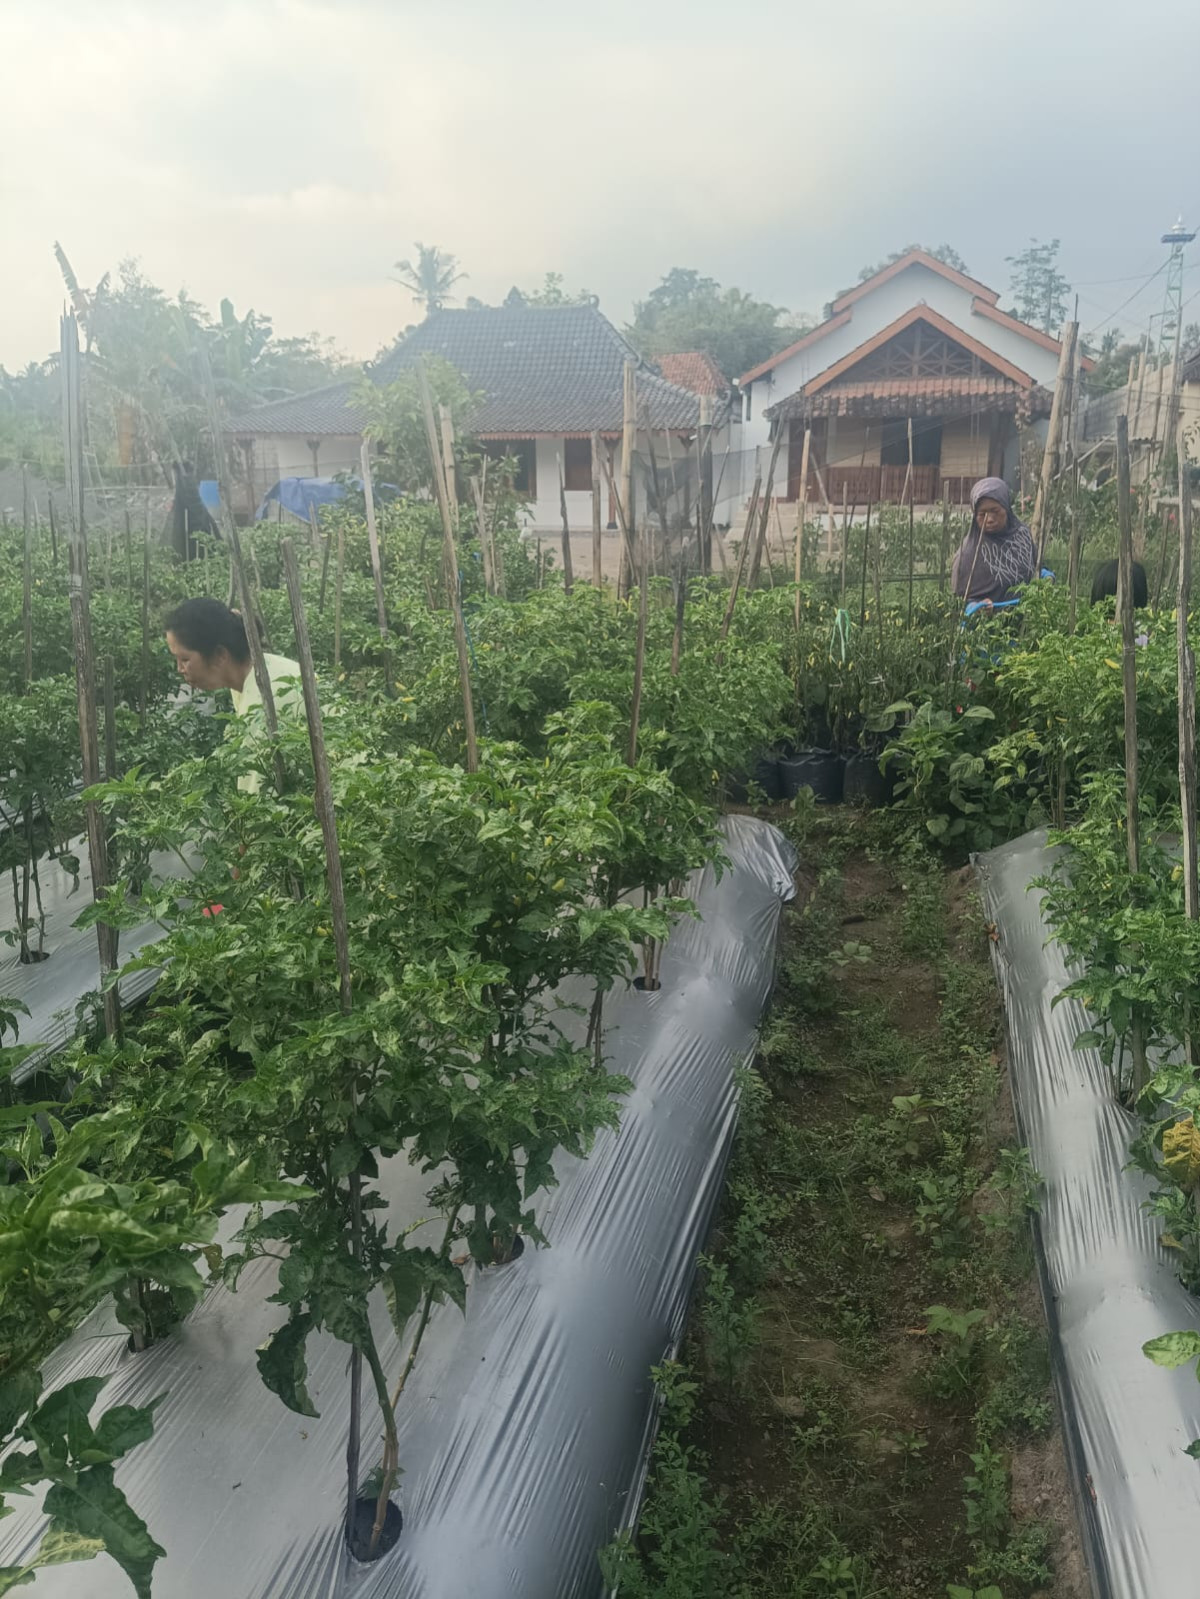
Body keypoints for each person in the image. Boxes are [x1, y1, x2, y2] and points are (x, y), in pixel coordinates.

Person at [164, 598, 301, 792]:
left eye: (185, 659)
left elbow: (257, 802)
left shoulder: (263, 703)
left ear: (220, 654)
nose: (180, 669)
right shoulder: (262, 669)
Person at [950, 477, 1036, 608]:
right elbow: (958, 601)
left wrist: (1045, 574)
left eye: (995, 511)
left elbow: (1036, 566)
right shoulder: (967, 555)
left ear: (1006, 508)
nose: (989, 519)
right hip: (988, 625)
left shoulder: (1022, 536)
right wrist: (974, 605)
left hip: (1028, 620)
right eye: (982, 514)